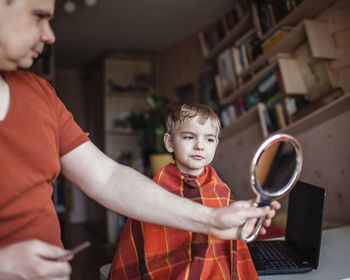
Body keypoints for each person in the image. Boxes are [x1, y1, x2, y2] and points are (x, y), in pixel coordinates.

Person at [0, 0, 280, 279]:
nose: (50, 35)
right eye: (38, 16)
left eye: (209, 139)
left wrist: (213, 219)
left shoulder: (40, 95)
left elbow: (108, 178)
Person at [110, 104, 261, 279]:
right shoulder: (156, 188)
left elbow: (229, 243)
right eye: (189, 137)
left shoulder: (221, 188)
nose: (200, 146)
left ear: (216, 144)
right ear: (169, 142)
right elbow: (153, 245)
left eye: (209, 139)